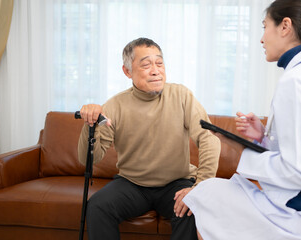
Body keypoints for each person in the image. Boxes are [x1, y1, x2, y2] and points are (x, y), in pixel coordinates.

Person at [183, 0, 301, 239]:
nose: (261, 39)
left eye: (264, 26)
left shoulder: (297, 80)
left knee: (205, 194)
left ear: (285, 26)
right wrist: (263, 137)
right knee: (211, 193)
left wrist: (241, 154)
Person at [77, 37, 221, 240]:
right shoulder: (115, 106)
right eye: (146, 64)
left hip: (176, 182)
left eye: (159, 63)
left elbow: (209, 139)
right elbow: (88, 160)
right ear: (127, 71)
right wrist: (89, 124)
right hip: (132, 184)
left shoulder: (181, 96)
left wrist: (199, 187)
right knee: (98, 207)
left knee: (191, 209)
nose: (155, 70)